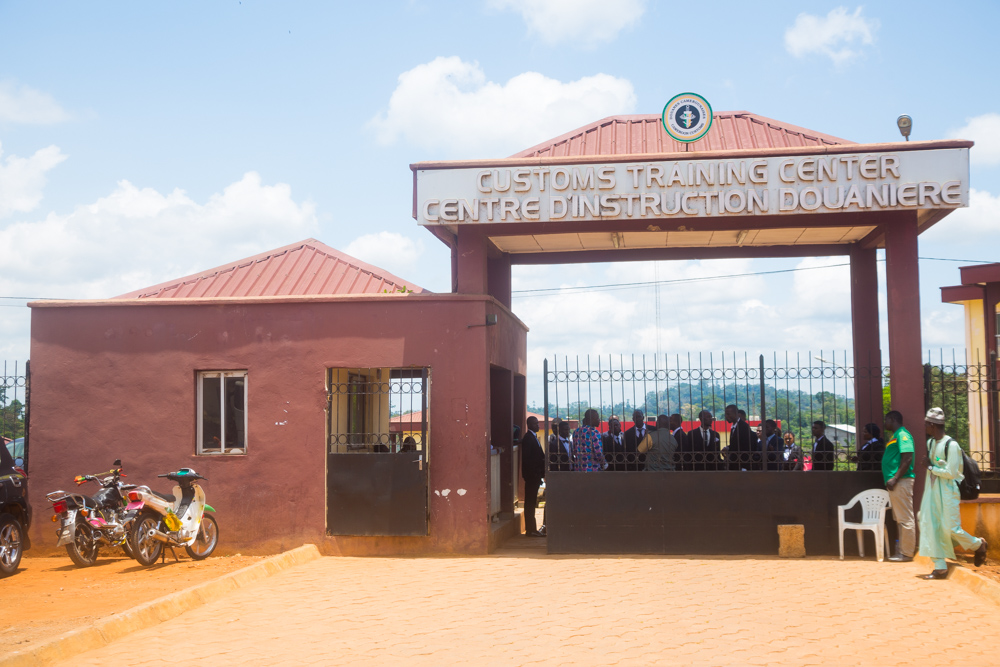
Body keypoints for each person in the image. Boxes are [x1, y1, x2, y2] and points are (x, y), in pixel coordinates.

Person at [918, 407, 988, 579]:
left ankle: (978, 545)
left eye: (926, 424)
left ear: (933, 425)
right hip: (932, 491)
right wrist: (933, 469)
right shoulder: (931, 443)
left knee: (950, 528)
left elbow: (951, 473)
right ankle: (940, 567)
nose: (925, 427)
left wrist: (931, 467)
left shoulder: (952, 445)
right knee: (929, 524)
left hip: (948, 492)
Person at [883, 410, 916, 562]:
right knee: (900, 518)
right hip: (897, 483)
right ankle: (903, 551)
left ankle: (907, 553)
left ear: (892, 419)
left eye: (886, 420)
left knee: (905, 518)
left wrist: (895, 478)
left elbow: (907, 458)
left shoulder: (903, 435)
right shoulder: (896, 435)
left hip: (901, 482)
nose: (885, 423)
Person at [521, 416, 546, 537]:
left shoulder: (533, 437)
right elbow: (527, 459)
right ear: (529, 425)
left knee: (532, 502)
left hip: (535, 475)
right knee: (530, 503)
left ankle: (532, 529)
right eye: (535, 424)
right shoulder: (528, 438)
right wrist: (534, 474)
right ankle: (530, 530)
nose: (538, 426)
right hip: (532, 476)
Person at [725, 405, 756, 470]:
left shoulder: (743, 427)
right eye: (726, 414)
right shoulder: (734, 426)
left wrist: (744, 466)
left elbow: (746, 447)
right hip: (735, 463)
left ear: (736, 414)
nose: (726, 416)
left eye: (728, 414)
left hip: (741, 464)